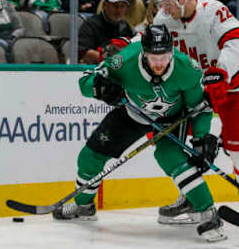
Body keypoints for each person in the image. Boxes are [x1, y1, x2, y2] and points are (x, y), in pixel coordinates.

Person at [53, 24, 227, 243]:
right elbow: (85, 81)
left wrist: (202, 138)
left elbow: (199, 108)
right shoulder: (123, 61)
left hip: (171, 121)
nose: (159, 64)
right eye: (153, 58)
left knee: (169, 156)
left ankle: (209, 213)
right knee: (90, 156)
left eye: (164, 57)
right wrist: (100, 88)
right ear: (143, 52)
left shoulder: (187, 69)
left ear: (172, 52)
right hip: (132, 114)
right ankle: (83, 205)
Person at [152, 0, 239, 223]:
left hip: (234, 82)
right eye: (161, 5)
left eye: (168, 3)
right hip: (195, 88)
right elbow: (149, 47)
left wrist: (221, 71)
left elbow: (238, 43)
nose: (165, 10)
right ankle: (189, 195)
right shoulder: (162, 20)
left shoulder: (214, 10)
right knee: (184, 146)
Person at [78, 0, 134, 64]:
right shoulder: (91, 24)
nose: (118, 10)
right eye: (115, 5)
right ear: (104, 5)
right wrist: (110, 59)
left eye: (122, 6)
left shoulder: (125, 26)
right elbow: (84, 53)